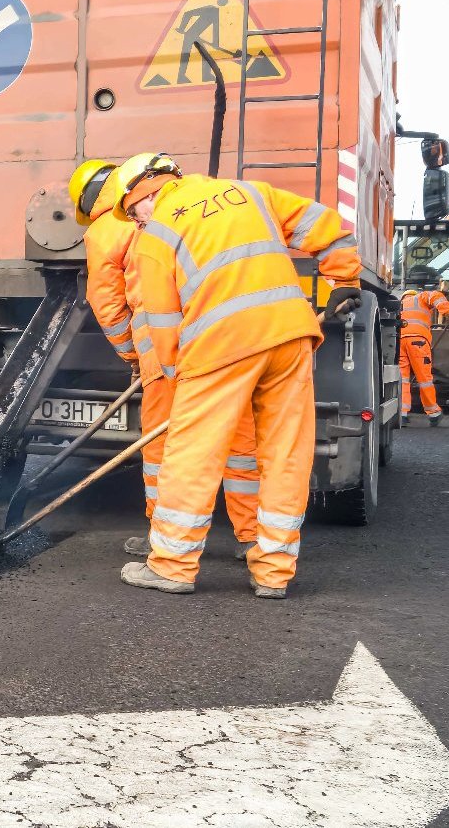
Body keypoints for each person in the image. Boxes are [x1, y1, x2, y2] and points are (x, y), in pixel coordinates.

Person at [115, 153, 360, 599]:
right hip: (289, 337)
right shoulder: (251, 192)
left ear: (146, 191)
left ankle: (172, 566)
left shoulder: (155, 237)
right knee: (286, 454)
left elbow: (163, 322)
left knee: (193, 453)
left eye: (133, 212)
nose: (136, 222)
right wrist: (343, 279)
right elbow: (327, 226)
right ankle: (273, 575)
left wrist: (173, 377)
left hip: (219, 346)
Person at [69, 157, 260, 560]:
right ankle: (253, 537)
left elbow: (106, 302)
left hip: (160, 342)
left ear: (88, 203)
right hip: (216, 329)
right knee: (238, 435)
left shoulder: (106, 229)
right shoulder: (182, 204)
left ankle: (165, 539)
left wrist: (130, 354)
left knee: (164, 444)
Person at [398, 285, 449, 425]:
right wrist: (448, 312)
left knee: (403, 379)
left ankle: (402, 413)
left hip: (399, 342)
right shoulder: (420, 297)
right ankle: (433, 413)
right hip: (418, 342)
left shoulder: (399, 305)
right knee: (424, 379)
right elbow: (435, 295)